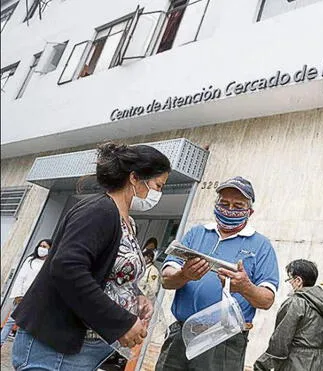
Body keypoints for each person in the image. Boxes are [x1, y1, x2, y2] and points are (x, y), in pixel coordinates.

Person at [11, 142, 172, 370]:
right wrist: (122, 322)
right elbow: (67, 268)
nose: (158, 193)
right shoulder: (100, 211)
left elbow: (108, 273)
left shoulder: (128, 223)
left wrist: (136, 296)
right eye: (158, 185)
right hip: (57, 349)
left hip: (87, 348)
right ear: (134, 178)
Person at [157, 176, 280, 371]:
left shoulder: (261, 246)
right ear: (215, 204)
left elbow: (266, 300)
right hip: (182, 333)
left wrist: (245, 287)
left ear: (250, 212)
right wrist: (184, 275)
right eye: (224, 203)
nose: (230, 209)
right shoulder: (197, 234)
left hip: (224, 340)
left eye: (238, 205)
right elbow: (166, 280)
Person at [254, 259, 323, 371]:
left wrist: (263, 364)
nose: (289, 283)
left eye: (289, 279)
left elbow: (281, 340)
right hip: (319, 363)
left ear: (298, 280)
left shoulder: (296, 302)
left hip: (296, 363)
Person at [0, 239, 51, 347]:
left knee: (25, 324)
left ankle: (18, 346)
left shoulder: (48, 264)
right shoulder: (30, 260)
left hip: (36, 298)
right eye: (40, 245)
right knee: (11, 320)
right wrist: (18, 294)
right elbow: (21, 278)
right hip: (22, 296)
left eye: (44, 247)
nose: (41, 248)